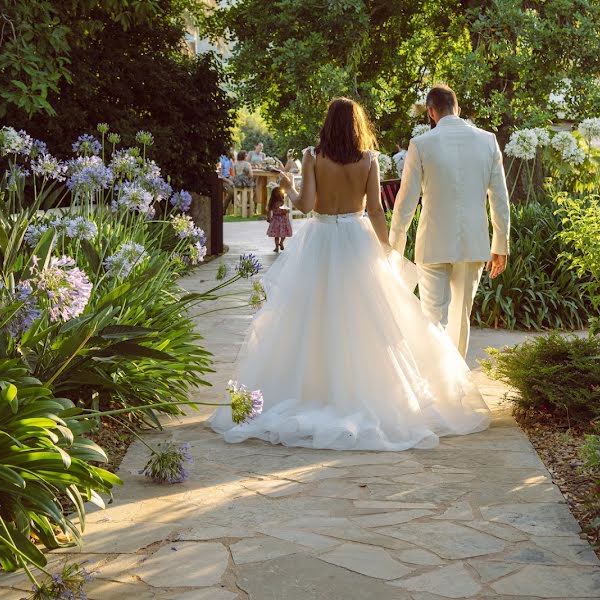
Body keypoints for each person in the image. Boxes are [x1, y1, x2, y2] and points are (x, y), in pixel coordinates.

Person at [209, 97, 489, 451]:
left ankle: (315, 388)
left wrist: (286, 184)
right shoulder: (368, 159)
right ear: (357, 124)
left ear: (328, 123)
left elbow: (305, 205)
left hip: (321, 239)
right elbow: (374, 209)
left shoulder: (313, 156)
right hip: (357, 241)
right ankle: (363, 391)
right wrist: (386, 247)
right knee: (365, 321)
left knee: (310, 319)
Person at [389, 84, 510, 358]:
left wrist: (394, 246)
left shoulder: (420, 144)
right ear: (459, 109)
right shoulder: (488, 140)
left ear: (431, 112)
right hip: (473, 242)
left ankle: (436, 384)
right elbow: (499, 198)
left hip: (432, 243)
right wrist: (500, 244)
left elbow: (405, 202)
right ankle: (456, 387)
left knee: (432, 317)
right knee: (460, 318)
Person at [265, 184, 292, 252]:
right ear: (274, 194)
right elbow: (269, 210)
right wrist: (268, 217)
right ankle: (276, 247)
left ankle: (281, 242)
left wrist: (286, 211)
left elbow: (284, 210)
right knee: (276, 235)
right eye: (276, 192)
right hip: (276, 219)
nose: (278, 194)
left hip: (283, 220)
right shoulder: (272, 202)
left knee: (284, 234)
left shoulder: (282, 201)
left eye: (279, 192)